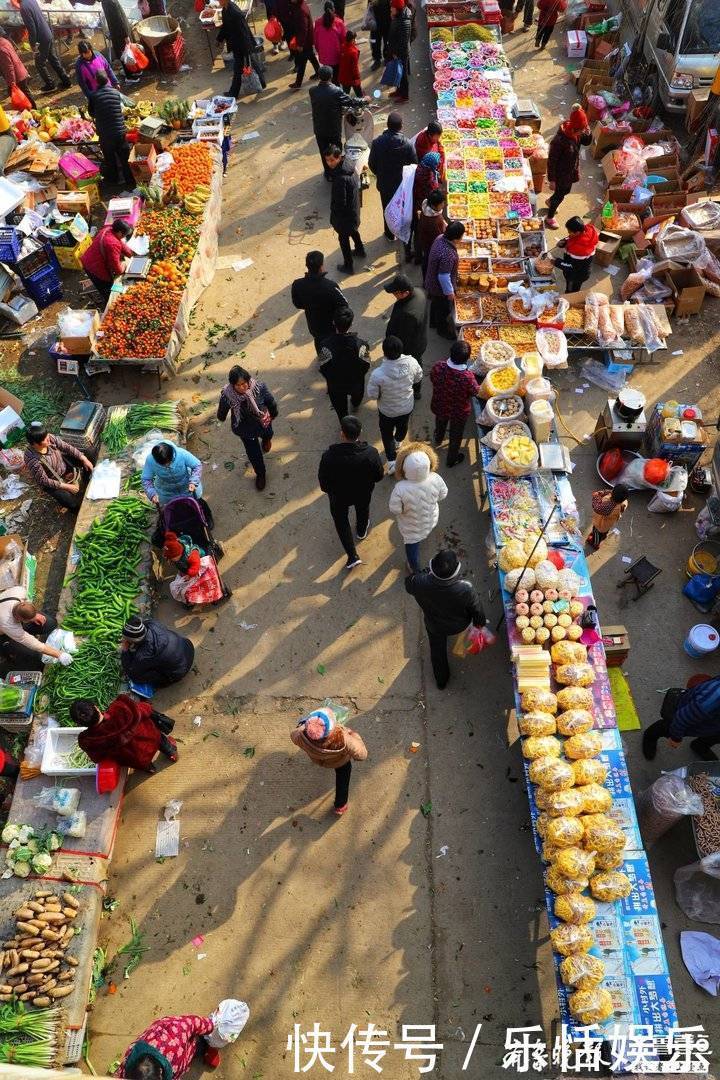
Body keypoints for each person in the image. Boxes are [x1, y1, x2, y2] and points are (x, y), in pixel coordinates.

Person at [405, 549, 487, 689]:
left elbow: (408, 584)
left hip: (434, 625)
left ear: (432, 567)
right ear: (456, 571)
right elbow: (477, 610)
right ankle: (463, 647)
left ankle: (441, 681)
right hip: (459, 625)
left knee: (437, 651)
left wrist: (423, 572)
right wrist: (479, 624)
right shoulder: (466, 588)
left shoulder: (419, 582)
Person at [318, 415, 384, 569]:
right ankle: (361, 531)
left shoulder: (329, 457)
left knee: (341, 522)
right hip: (363, 492)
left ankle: (352, 555)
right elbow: (379, 476)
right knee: (363, 509)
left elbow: (323, 483)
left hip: (339, 497)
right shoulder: (371, 453)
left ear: (342, 433)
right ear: (360, 432)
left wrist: (332, 492)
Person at [290, 702, 368, 814]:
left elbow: (293, 737)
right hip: (339, 762)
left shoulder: (300, 734)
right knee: (343, 777)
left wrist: (301, 726)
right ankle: (340, 805)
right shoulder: (344, 738)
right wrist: (354, 735)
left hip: (317, 758)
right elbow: (362, 755)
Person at [69, 694, 178, 772]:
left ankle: (150, 768)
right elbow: (146, 709)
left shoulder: (88, 741)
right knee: (160, 739)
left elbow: (97, 759)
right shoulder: (121, 708)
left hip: (135, 759)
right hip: (151, 739)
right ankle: (171, 753)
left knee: (141, 762)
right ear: (96, 707)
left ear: (79, 724)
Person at [217, 365, 279, 491]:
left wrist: (273, 413)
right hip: (245, 429)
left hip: (263, 422)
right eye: (237, 385)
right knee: (254, 454)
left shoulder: (259, 388)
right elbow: (222, 410)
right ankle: (261, 474)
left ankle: (266, 440)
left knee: (269, 434)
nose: (241, 388)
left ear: (248, 380)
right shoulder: (228, 395)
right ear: (232, 385)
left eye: (243, 384)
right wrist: (221, 416)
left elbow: (270, 401)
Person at [388, 442, 447, 572]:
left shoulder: (400, 488)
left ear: (403, 467)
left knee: (412, 549)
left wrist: (405, 510)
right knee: (427, 529)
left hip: (411, 528)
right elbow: (443, 495)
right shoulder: (436, 478)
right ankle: (425, 535)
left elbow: (395, 509)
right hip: (431, 518)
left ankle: (414, 568)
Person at [366, 335, 422, 470]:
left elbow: (372, 394)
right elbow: (418, 377)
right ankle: (398, 441)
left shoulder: (378, 374)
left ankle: (391, 461)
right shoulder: (412, 362)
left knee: (386, 433)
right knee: (403, 426)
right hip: (406, 406)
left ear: (384, 352)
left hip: (387, 411)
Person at [118, 1012, 229, 1076]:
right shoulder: (131, 1053)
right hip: (167, 1037)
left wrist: (209, 1026)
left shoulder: (176, 1033)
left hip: (178, 1039)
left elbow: (192, 1023)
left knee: (198, 1046)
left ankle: (204, 1048)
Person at [642, 675, 720, 762]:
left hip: (713, 726)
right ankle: (650, 737)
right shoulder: (712, 699)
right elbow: (682, 718)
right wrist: (675, 738)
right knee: (667, 727)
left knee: (715, 737)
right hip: (690, 718)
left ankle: (700, 746)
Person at [429, 339, 481, 468]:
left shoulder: (438, 367)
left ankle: (438, 438)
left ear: (450, 353)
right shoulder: (467, 377)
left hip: (440, 405)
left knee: (440, 422)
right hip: (458, 412)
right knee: (456, 435)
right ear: (467, 359)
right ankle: (452, 459)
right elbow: (476, 392)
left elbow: (432, 379)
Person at [368, 111, 417, 240]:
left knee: (387, 209)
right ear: (401, 126)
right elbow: (414, 165)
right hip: (401, 185)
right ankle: (401, 231)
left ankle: (389, 233)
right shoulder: (407, 144)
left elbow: (371, 164)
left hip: (384, 185)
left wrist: (380, 174)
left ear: (388, 125)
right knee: (401, 208)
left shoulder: (377, 142)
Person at [24, 422, 93, 511]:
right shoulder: (32, 460)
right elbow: (44, 480)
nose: (49, 439)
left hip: (62, 465)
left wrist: (84, 459)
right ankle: (77, 510)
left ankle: (86, 481)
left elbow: (66, 447)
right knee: (69, 501)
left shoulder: (48, 438)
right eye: (45, 439)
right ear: (35, 444)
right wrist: (67, 486)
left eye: (47, 436)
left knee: (88, 455)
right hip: (52, 480)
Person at [318, 306, 370, 421]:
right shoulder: (361, 345)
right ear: (351, 324)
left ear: (333, 322)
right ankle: (355, 405)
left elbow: (323, 367)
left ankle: (345, 422)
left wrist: (330, 379)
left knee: (341, 410)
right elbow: (366, 364)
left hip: (335, 385)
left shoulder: (325, 346)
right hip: (356, 382)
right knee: (357, 397)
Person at [0, 585, 70, 668]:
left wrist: (35, 616)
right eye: (28, 620)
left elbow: (25, 602)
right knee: (35, 657)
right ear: (19, 619)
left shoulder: (19, 591)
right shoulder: (8, 623)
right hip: (3, 634)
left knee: (50, 623)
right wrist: (59, 654)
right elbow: (33, 644)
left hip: (14, 620)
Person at [545, 104, 591, 227]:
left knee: (565, 191)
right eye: (582, 130)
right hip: (560, 173)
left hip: (570, 171)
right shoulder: (559, 141)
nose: (583, 132)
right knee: (560, 195)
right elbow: (551, 161)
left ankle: (550, 201)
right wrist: (552, 180)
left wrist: (588, 131)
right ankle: (549, 217)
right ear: (575, 128)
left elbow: (587, 142)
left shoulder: (578, 135)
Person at [291, 250, 348, 350]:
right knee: (334, 346)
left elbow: (297, 304)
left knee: (319, 343)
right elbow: (344, 305)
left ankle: (323, 361)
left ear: (306, 265)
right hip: (331, 326)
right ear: (321, 266)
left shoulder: (297, 284)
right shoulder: (331, 286)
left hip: (313, 325)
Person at [120, 616, 194, 689]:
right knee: (160, 658)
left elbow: (131, 672)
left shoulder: (144, 654)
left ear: (133, 641)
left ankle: (167, 680)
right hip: (188, 647)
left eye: (126, 639)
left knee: (138, 677)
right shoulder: (153, 624)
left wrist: (125, 650)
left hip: (181, 669)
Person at [308, 65, 356, 178]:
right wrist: (365, 100)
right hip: (333, 129)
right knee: (336, 151)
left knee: (324, 152)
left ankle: (328, 173)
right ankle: (337, 172)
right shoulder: (336, 91)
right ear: (331, 76)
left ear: (319, 77)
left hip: (319, 129)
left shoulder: (312, 91)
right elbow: (351, 101)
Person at [325, 143, 366, 274]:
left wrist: (335, 217)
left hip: (345, 216)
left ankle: (348, 266)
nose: (329, 163)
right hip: (353, 211)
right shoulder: (348, 165)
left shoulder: (340, 179)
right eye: (327, 160)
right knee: (354, 230)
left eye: (332, 160)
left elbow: (340, 203)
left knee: (343, 240)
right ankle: (360, 250)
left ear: (338, 158)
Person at [89, 69, 133, 186]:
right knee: (124, 158)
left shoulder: (93, 96)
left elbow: (92, 113)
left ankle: (114, 180)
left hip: (105, 134)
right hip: (120, 132)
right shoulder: (116, 93)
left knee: (110, 159)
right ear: (107, 80)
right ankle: (130, 180)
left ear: (96, 82)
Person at [15, 0, 70, 91]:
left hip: (41, 38)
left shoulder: (23, 8)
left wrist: (33, 44)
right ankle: (66, 81)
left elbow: (31, 28)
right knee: (53, 59)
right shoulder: (31, 1)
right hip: (47, 33)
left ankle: (50, 84)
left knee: (39, 64)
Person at [424, 220, 465, 340]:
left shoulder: (440, 237)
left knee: (435, 303)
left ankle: (432, 322)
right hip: (439, 287)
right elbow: (443, 276)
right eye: (462, 236)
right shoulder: (448, 253)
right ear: (456, 238)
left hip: (431, 280)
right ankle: (442, 330)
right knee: (442, 308)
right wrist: (450, 293)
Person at [217, 0, 266, 95]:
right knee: (252, 63)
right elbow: (225, 27)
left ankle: (233, 93)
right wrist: (219, 39)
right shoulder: (225, 10)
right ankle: (262, 82)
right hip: (236, 43)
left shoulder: (235, 13)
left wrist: (247, 48)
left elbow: (244, 31)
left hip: (242, 44)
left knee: (238, 68)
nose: (218, 1)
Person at [79, 218, 133, 302]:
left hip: (89, 259)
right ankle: (109, 302)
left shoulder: (108, 229)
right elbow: (118, 269)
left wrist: (130, 253)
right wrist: (124, 266)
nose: (124, 237)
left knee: (103, 284)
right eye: (124, 235)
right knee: (106, 288)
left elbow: (119, 242)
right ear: (119, 232)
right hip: (94, 267)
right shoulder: (112, 244)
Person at [141, 441, 205, 509]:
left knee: (193, 506)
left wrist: (193, 481)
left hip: (187, 487)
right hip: (166, 492)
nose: (166, 466)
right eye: (162, 464)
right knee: (174, 510)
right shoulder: (150, 460)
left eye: (169, 462)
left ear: (172, 455)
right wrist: (152, 494)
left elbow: (197, 465)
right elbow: (146, 479)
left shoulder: (181, 453)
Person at [384, 273, 428, 370]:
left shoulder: (408, 315)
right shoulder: (419, 292)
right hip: (420, 340)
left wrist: (397, 354)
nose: (394, 295)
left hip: (411, 350)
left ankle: (416, 383)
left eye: (396, 293)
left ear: (406, 293)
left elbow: (404, 339)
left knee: (411, 368)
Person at [408, 150, 441, 261]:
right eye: (437, 163)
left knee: (415, 230)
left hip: (414, 203)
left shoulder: (419, 168)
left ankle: (411, 253)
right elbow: (433, 190)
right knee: (420, 232)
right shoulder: (428, 179)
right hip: (422, 208)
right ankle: (419, 256)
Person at [554, 215, 599, 293]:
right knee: (576, 286)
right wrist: (564, 242)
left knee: (571, 290)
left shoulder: (579, 250)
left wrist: (556, 262)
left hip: (575, 275)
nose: (568, 233)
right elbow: (571, 238)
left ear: (577, 232)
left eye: (569, 232)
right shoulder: (587, 230)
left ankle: (570, 299)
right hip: (581, 268)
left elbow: (571, 266)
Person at [587, 484, 629, 550]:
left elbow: (597, 508)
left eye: (613, 490)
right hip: (608, 524)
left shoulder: (608, 506)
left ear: (613, 494)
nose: (611, 491)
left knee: (597, 533)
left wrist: (596, 496)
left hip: (600, 525)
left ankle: (595, 544)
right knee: (604, 532)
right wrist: (603, 492)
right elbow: (610, 492)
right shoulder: (624, 502)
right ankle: (603, 537)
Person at [416, 188, 447, 278]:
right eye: (442, 203)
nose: (444, 205)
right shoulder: (434, 221)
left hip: (424, 239)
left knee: (426, 258)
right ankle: (427, 280)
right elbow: (439, 237)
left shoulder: (426, 206)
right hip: (430, 245)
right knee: (428, 261)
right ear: (436, 205)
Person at [0, 27, 35, 107]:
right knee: (24, 94)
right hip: (21, 71)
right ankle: (30, 110)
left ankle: (33, 111)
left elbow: (9, 68)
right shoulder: (5, 41)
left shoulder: (1, 50)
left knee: (25, 95)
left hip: (17, 76)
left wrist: (12, 83)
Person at [288, 0, 319, 89]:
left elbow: (303, 29)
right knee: (311, 56)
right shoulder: (299, 5)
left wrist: (300, 44)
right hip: (306, 39)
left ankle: (298, 83)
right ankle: (318, 72)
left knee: (302, 62)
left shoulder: (301, 11)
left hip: (305, 41)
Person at [387, 0, 412, 103]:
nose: (390, 9)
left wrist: (396, 53)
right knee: (398, 73)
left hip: (401, 52)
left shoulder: (404, 22)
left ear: (397, 9)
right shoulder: (398, 17)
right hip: (396, 51)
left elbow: (403, 41)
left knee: (402, 74)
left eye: (392, 8)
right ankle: (399, 91)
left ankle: (405, 95)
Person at [314, 1, 344, 79]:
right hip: (336, 55)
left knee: (328, 77)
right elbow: (343, 40)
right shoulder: (339, 22)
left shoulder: (317, 22)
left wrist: (319, 51)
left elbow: (316, 40)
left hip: (324, 56)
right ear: (333, 9)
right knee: (336, 77)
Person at [339, 29, 362, 95]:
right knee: (359, 94)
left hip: (343, 77)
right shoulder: (353, 52)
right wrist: (357, 78)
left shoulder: (342, 47)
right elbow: (355, 67)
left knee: (345, 94)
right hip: (352, 78)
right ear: (353, 39)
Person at [370, 0, 390, 70]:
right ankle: (377, 59)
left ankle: (387, 57)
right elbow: (370, 4)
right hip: (375, 22)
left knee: (387, 42)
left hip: (387, 21)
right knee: (375, 42)